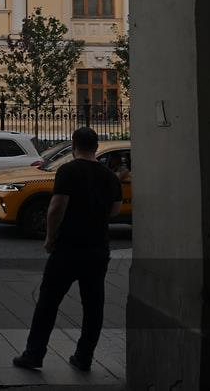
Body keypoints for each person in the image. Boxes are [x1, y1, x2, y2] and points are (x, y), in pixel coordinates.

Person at [13, 127, 122, 372]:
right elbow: (115, 211)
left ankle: (34, 354)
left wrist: (50, 238)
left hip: (69, 247)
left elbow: (56, 207)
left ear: (74, 146)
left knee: (48, 302)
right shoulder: (109, 176)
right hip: (98, 248)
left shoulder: (68, 170)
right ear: (96, 147)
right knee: (93, 306)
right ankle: (84, 357)